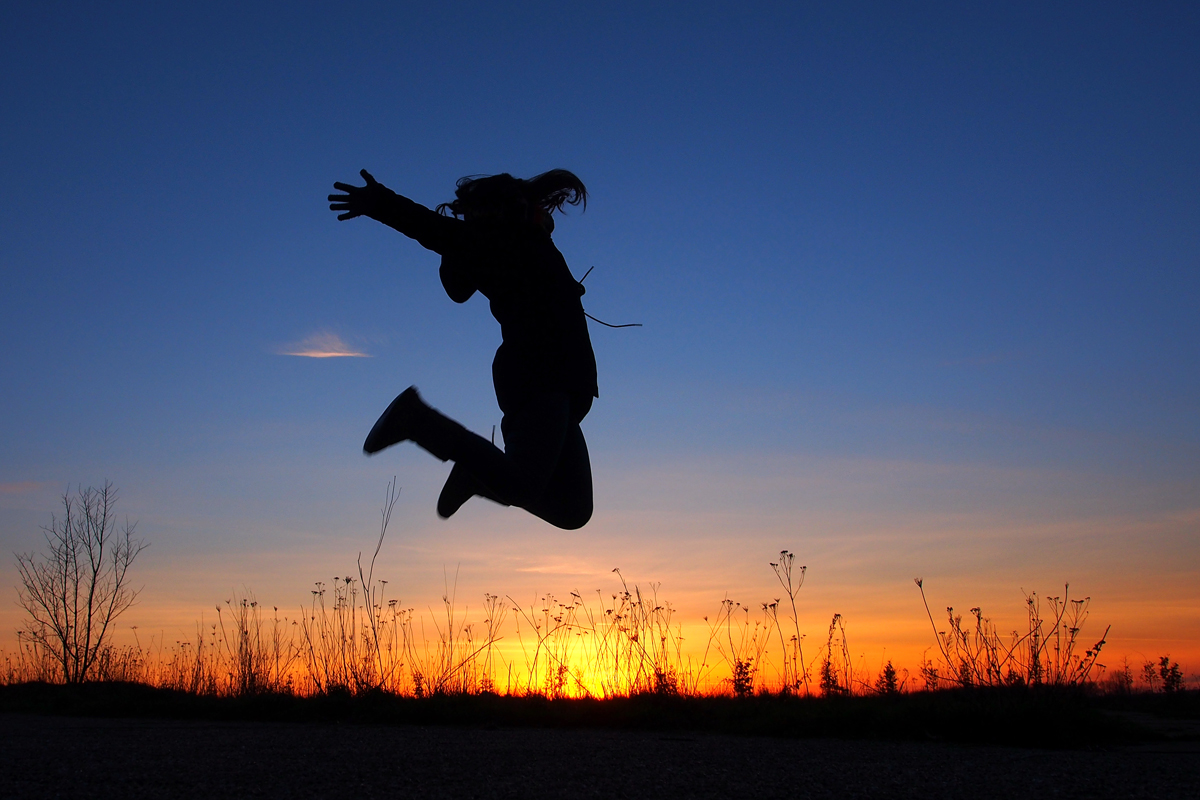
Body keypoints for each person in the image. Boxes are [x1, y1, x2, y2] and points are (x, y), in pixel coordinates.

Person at [328, 168, 597, 530]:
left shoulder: (528, 238)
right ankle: (419, 421)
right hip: (538, 376)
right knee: (522, 485)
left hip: (561, 383)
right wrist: (379, 202)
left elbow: (455, 281)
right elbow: (429, 229)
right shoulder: (494, 240)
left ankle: (477, 473)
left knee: (572, 510)